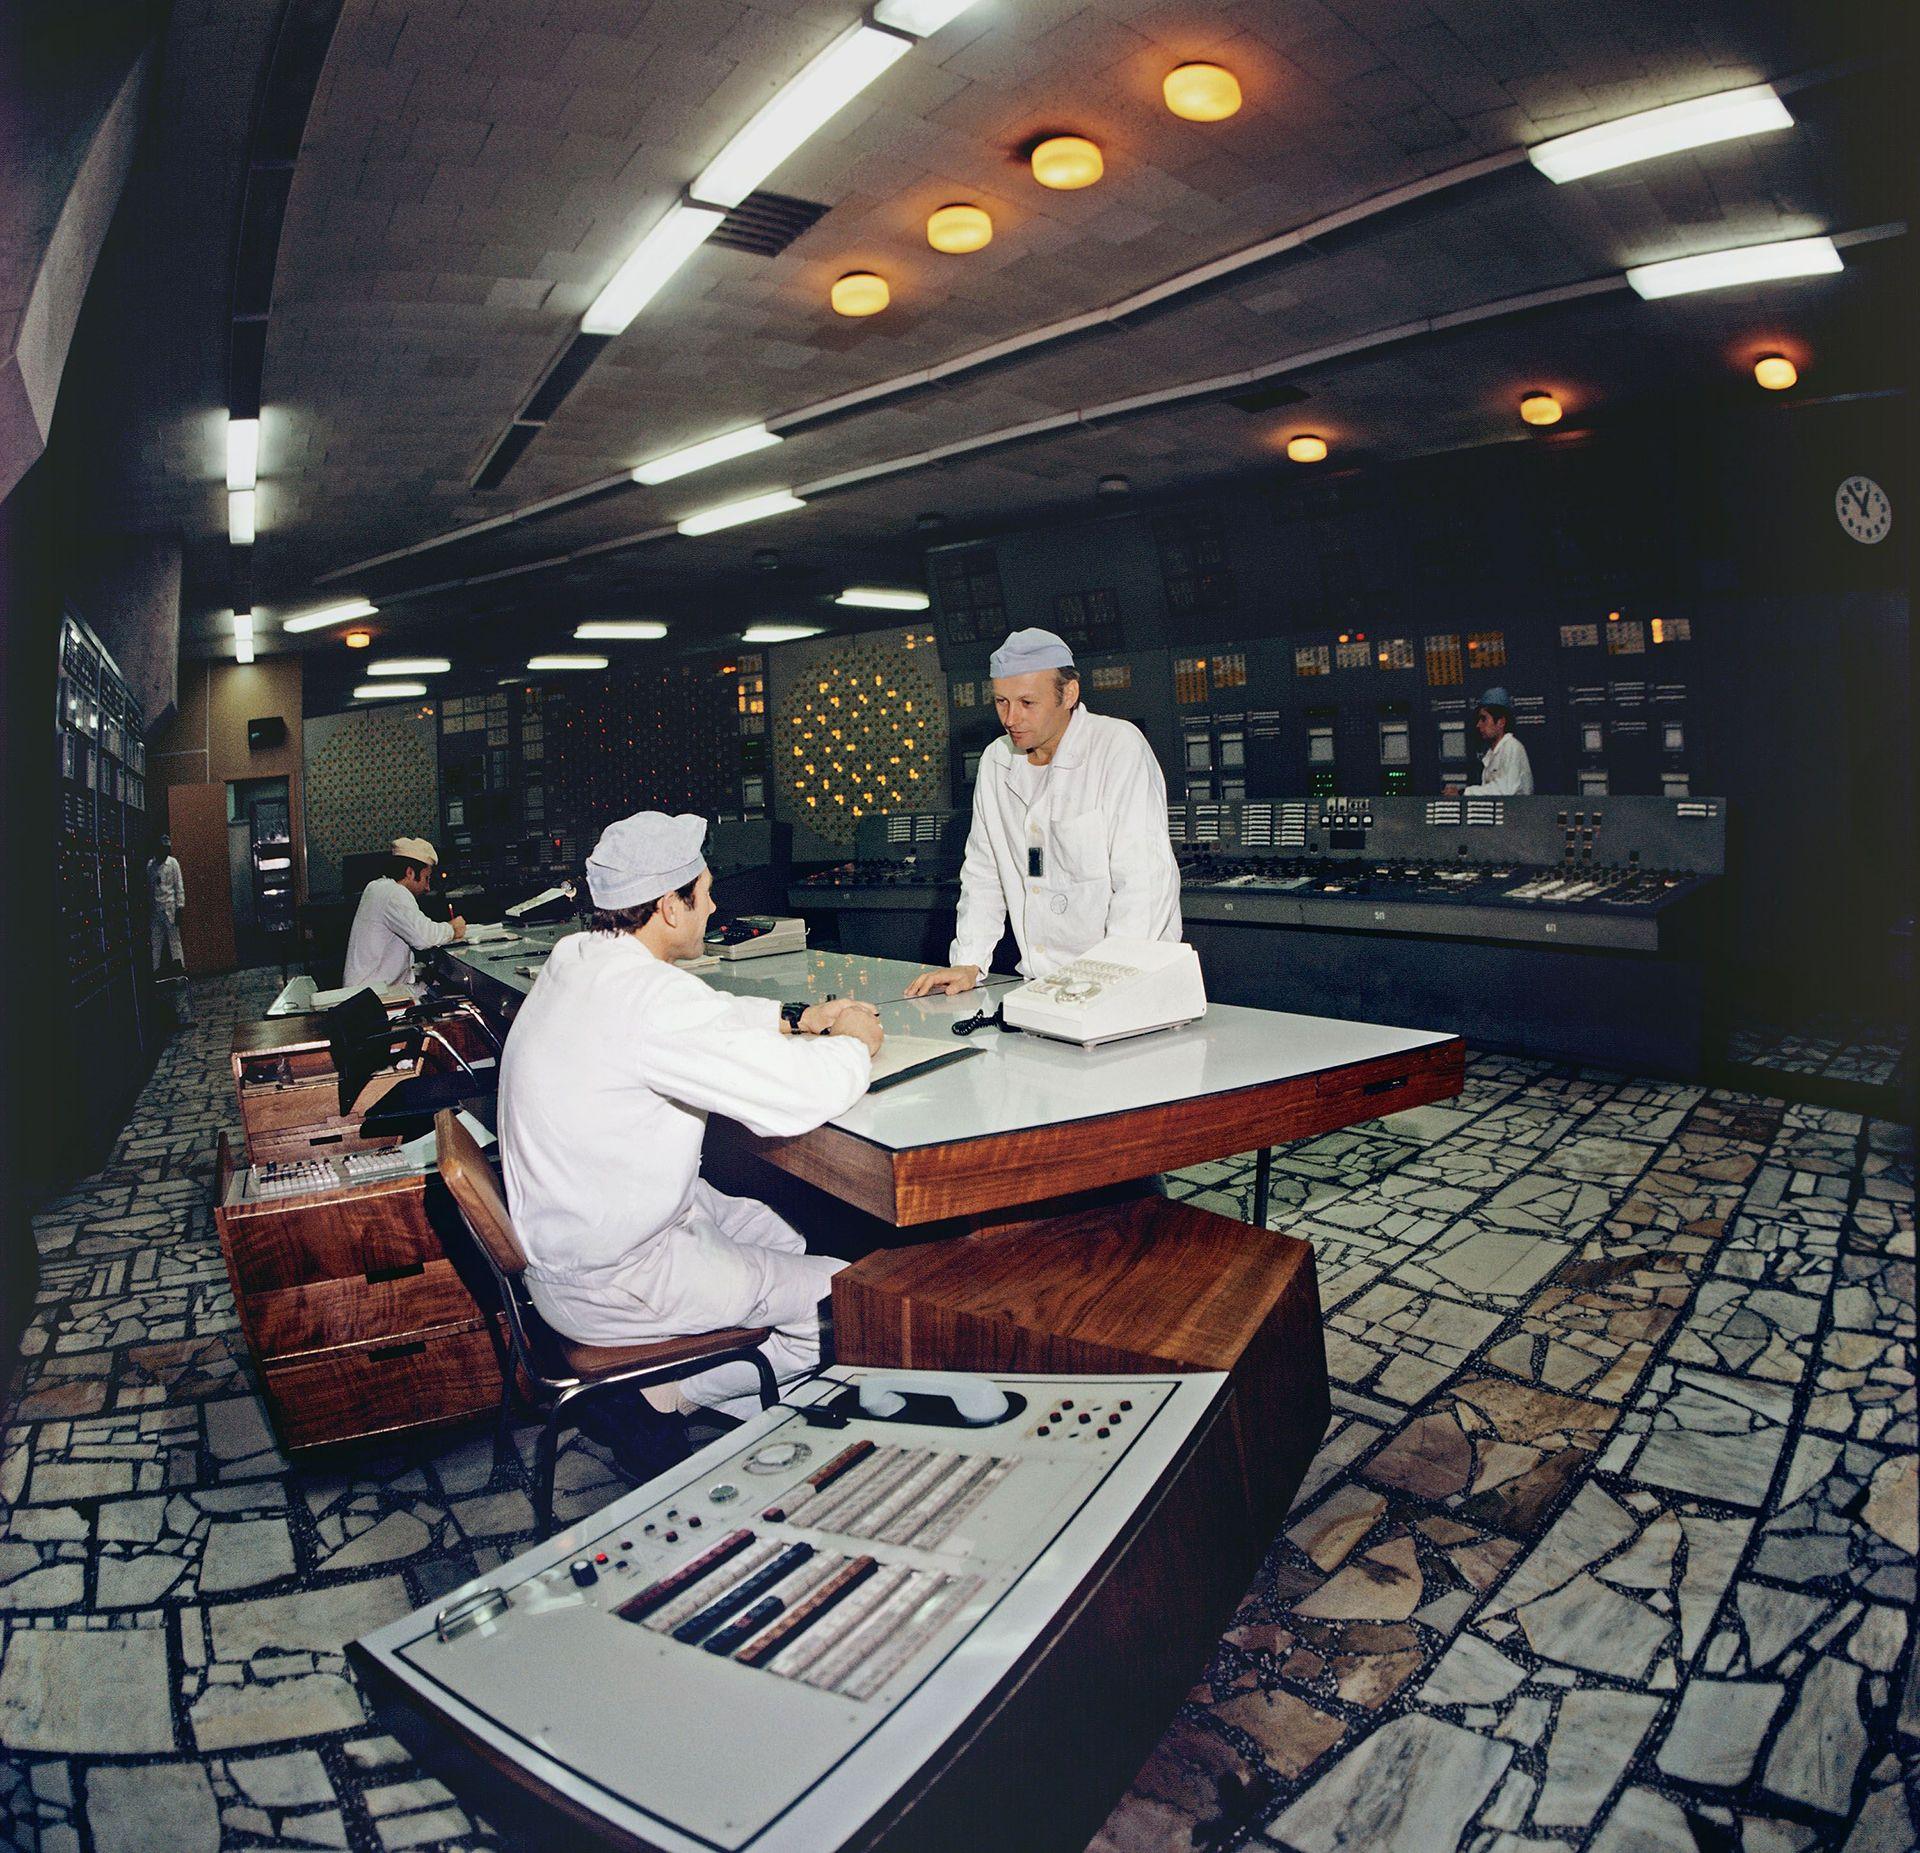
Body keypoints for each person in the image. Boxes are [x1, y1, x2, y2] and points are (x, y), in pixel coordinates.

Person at [498, 810, 883, 1460]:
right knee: (842, 1299)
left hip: (583, 1246)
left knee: (783, 1234)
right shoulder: (647, 1000)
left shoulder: (582, 958)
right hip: (618, 1277)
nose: (714, 904)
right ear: (669, 908)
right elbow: (789, 1102)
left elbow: (699, 1014)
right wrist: (852, 1044)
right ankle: (666, 1394)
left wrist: (796, 1016)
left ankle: (687, 1383)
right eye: (703, 891)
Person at [906, 627, 1181, 998]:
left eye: (1027, 703)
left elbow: (1144, 882)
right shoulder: (996, 761)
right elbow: (984, 873)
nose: (1010, 718)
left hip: (1127, 982)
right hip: (1041, 983)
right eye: (1001, 701)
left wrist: (1112, 981)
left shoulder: (1118, 747)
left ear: (1068, 693)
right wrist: (969, 962)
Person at [341, 836, 466, 991]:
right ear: (410, 872)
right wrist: (452, 929)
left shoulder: (376, 887)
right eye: (426, 878)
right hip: (373, 997)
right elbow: (423, 937)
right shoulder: (394, 893)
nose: (427, 887)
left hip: (369, 991)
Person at [1444, 687, 1534, 798]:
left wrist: (1464, 792)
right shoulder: (1492, 753)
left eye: (1484, 719)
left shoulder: (1512, 747)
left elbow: (1505, 790)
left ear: (1501, 722)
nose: (1478, 725)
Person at [147, 835, 186, 973]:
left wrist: (180, 907)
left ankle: (179, 971)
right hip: (156, 910)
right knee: (156, 943)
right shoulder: (151, 866)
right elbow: (149, 888)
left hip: (170, 908)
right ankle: (156, 971)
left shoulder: (173, 863)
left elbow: (178, 886)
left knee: (174, 942)